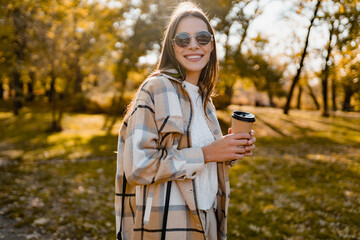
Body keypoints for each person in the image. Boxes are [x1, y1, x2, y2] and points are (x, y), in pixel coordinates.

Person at [115, 2, 256, 239]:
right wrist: (208, 153)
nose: (193, 45)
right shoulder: (155, 88)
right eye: (183, 39)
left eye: (202, 38)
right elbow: (138, 166)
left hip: (209, 217)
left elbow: (204, 159)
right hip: (168, 222)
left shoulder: (204, 99)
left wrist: (229, 151)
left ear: (211, 45)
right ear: (172, 47)